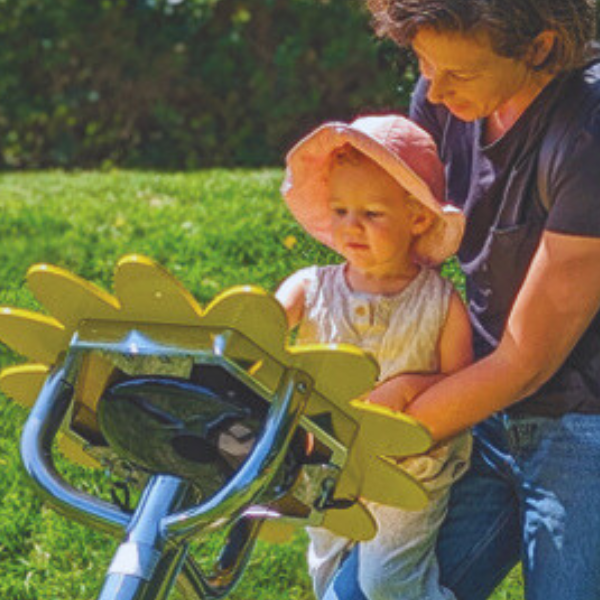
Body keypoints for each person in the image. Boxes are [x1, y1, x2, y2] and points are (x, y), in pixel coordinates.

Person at [320, 1, 600, 599]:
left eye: (459, 74)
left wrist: (359, 442)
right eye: (424, 64)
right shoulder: (443, 98)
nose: (435, 91)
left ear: (541, 46)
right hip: (480, 401)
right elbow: (411, 254)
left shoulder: (590, 133)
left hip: (584, 423)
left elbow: (528, 359)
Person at [276, 114, 473, 600]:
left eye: (372, 213)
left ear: (418, 218)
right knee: (328, 579)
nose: (351, 226)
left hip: (407, 472)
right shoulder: (310, 287)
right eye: (340, 211)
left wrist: (408, 389)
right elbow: (256, 335)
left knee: (387, 583)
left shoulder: (440, 303)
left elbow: (463, 383)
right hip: (325, 464)